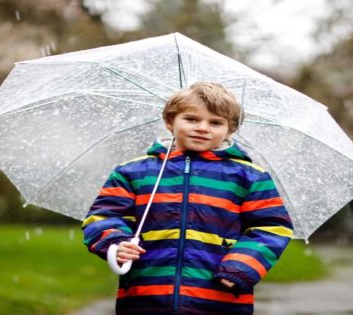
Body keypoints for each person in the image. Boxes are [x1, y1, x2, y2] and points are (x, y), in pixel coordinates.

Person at [82, 81, 293, 315]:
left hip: (218, 297)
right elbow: (104, 215)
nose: (203, 128)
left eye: (216, 122)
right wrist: (115, 243)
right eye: (191, 119)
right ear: (170, 122)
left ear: (230, 130)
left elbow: (272, 227)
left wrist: (241, 267)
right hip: (146, 295)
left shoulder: (249, 176)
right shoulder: (133, 172)